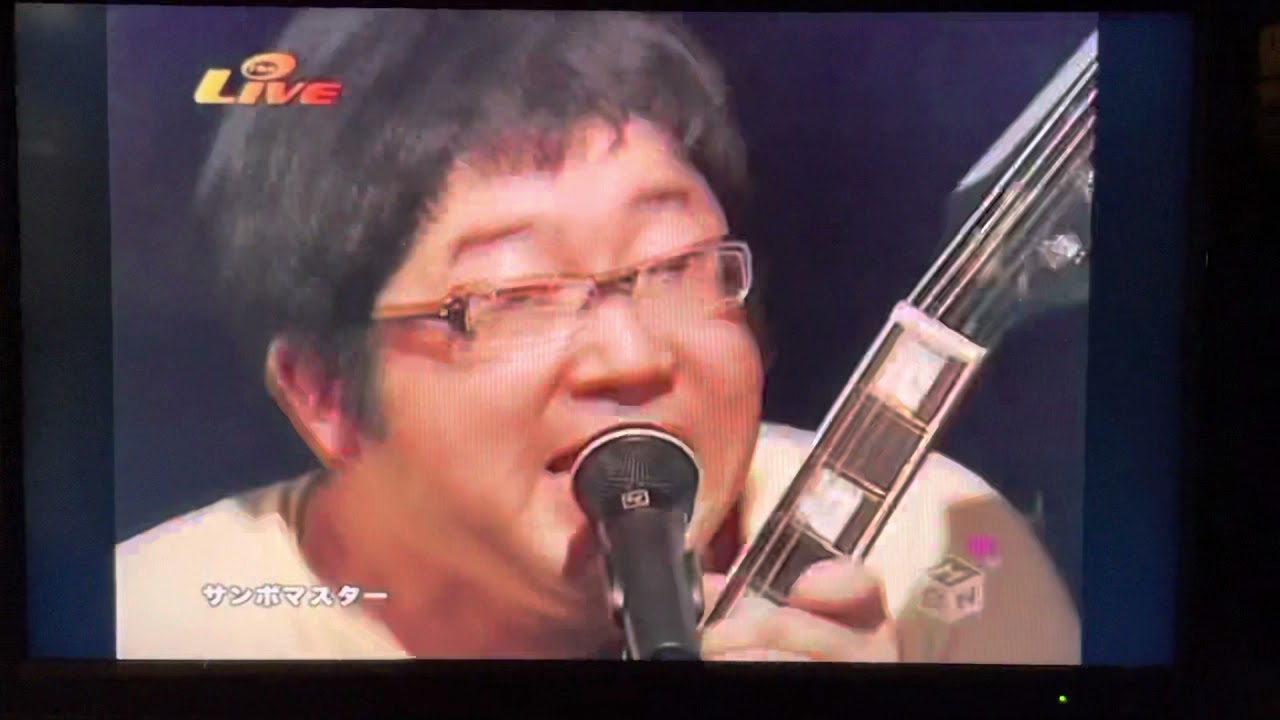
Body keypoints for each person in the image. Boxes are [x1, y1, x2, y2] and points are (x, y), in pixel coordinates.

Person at [115, 9, 1079, 662]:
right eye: (513, 296)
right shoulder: (160, 631)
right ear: (324, 394)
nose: (633, 356)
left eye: (674, 265)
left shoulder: (933, 556)